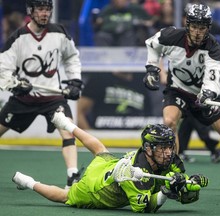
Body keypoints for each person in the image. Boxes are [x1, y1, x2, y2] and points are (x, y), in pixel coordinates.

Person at [12, 110, 209, 213]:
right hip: (96, 189)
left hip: (109, 165)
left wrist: (189, 183)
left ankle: (66, 124)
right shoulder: (137, 173)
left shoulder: (168, 157)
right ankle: (27, 181)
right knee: (65, 196)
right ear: (148, 148)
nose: (168, 152)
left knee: (101, 150)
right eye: (162, 147)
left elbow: (182, 185)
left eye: (169, 146)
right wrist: (167, 192)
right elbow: (145, 208)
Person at [142, 3, 220, 197]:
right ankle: (175, 174)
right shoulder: (170, 35)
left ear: (208, 28)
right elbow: (152, 45)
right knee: (169, 122)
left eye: (202, 27)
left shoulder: (213, 47)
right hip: (177, 90)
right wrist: (152, 68)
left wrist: (207, 94)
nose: (198, 32)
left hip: (202, 95)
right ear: (187, 24)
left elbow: (213, 77)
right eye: (195, 26)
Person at [0, 0, 83, 189]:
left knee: (68, 130)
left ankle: (73, 175)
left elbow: (71, 57)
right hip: (23, 99)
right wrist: (15, 85)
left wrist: (75, 81)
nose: (45, 13)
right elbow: (3, 69)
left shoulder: (59, 32)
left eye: (48, 9)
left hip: (53, 100)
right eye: (40, 9)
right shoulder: (18, 38)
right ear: (30, 11)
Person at [77, 72, 152, 130]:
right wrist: (91, 137)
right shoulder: (100, 78)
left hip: (134, 138)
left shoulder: (141, 81)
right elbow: (78, 111)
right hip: (104, 136)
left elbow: (148, 116)